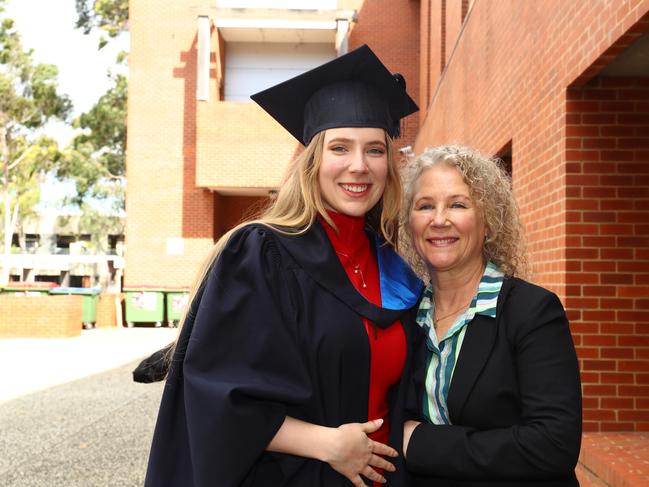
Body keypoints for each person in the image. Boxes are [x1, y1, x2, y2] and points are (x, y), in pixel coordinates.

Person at [144, 45, 424, 487]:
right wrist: (327, 444)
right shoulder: (262, 255)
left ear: (390, 164)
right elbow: (217, 392)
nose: (358, 165)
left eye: (374, 150)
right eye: (340, 147)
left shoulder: (398, 269)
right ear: (313, 161)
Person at [400, 145, 582, 486]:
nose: (439, 219)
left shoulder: (532, 312)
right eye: (425, 206)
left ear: (488, 220)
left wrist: (420, 443)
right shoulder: (406, 317)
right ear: (410, 223)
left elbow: (554, 443)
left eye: (457, 204)